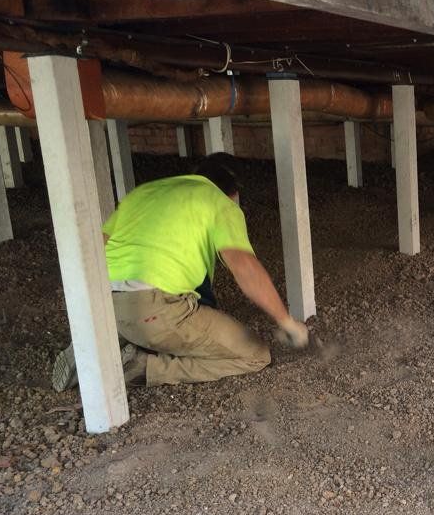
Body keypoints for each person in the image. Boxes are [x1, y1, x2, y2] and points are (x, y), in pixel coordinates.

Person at [52, 153, 309, 391]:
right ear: (234, 192)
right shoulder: (219, 203)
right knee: (255, 355)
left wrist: (89, 312)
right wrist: (286, 322)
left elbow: (98, 245)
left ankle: (92, 346)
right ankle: (142, 367)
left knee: (138, 315)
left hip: (104, 306)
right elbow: (245, 268)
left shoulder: (143, 192)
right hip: (155, 311)